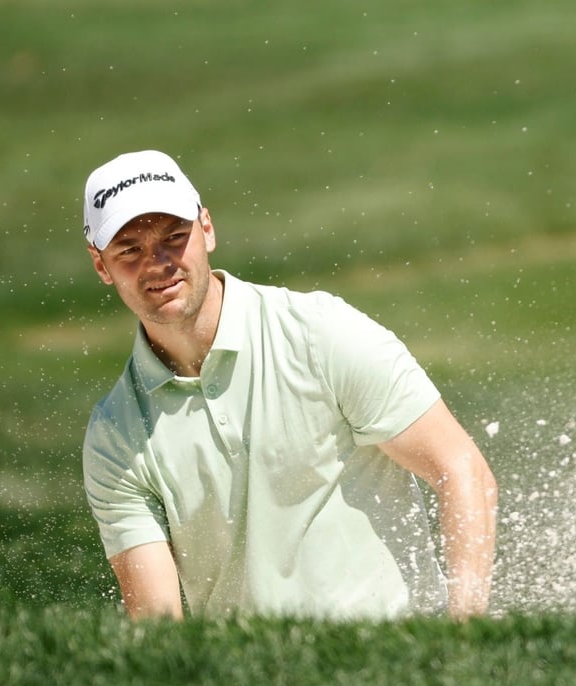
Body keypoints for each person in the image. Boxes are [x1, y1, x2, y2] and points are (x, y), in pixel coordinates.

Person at [80, 149, 497, 621]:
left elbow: (461, 469)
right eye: (130, 250)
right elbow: (158, 624)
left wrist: (464, 631)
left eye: (175, 237)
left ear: (207, 229)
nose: (158, 262)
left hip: (397, 653)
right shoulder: (115, 435)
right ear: (101, 266)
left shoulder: (319, 334)